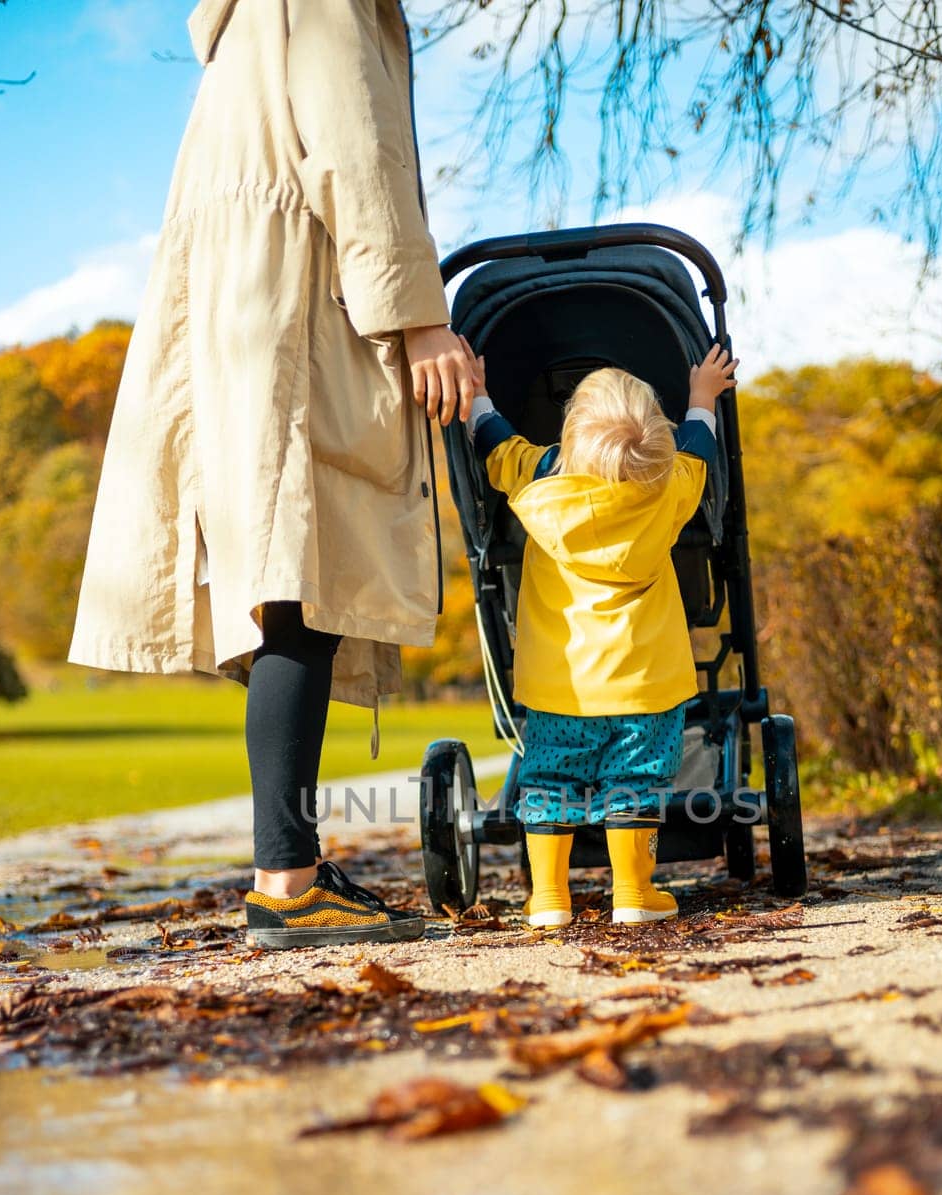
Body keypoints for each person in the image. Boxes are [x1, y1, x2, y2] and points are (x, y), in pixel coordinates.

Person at [67, 0, 475, 950]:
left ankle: (286, 866)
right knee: (304, 577)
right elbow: (357, 153)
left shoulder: (240, 25)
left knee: (285, 580)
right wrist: (419, 314)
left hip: (232, 309)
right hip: (297, 300)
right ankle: (287, 882)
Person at [462, 339, 738, 927]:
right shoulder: (669, 487)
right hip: (645, 686)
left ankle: (550, 899)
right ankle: (635, 894)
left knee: (550, 781)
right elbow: (699, 445)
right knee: (635, 782)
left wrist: (479, 393)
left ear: (569, 439)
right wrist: (701, 398)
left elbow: (494, 439)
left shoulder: (538, 484)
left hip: (561, 684)